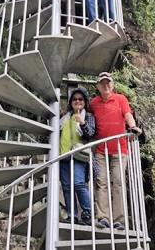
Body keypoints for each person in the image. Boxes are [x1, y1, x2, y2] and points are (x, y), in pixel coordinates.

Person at [89, 72, 141, 230]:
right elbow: (88, 119)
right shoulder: (93, 103)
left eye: (108, 83)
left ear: (112, 85)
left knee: (118, 182)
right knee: (101, 182)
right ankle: (103, 217)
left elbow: (128, 115)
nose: (106, 86)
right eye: (103, 83)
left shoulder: (121, 99)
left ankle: (119, 220)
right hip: (100, 150)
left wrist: (132, 127)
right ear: (97, 86)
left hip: (120, 149)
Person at [59, 87, 96, 224]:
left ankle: (87, 213)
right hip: (63, 156)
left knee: (79, 183)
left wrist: (82, 122)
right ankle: (72, 215)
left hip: (79, 155)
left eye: (80, 99)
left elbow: (91, 133)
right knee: (67, 186)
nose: (77, 101)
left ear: (85, 102)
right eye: (74, 99)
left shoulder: (88, 116)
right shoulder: (64, 118)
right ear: (70, 102)